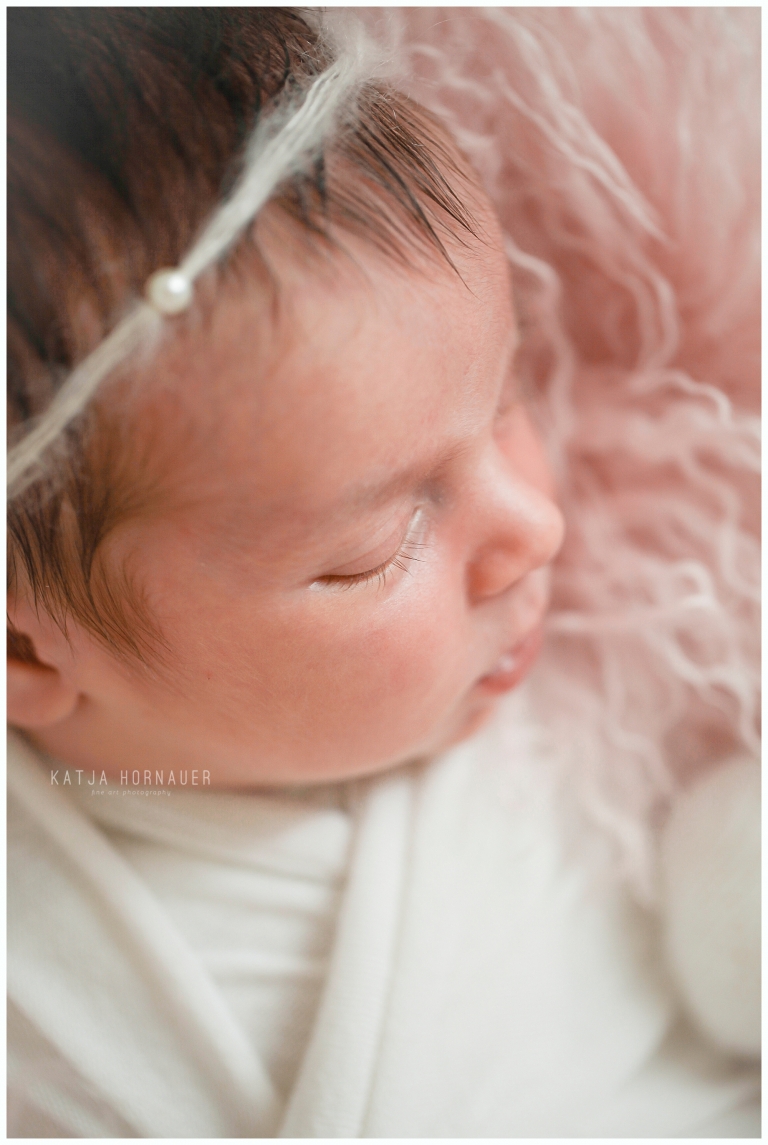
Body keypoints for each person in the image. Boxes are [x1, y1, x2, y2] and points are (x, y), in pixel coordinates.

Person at [7, 8, 759, 1137]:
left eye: (506, 399)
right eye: (375, 548)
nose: (539, 528)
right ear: (24, 648)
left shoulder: (597, 710)